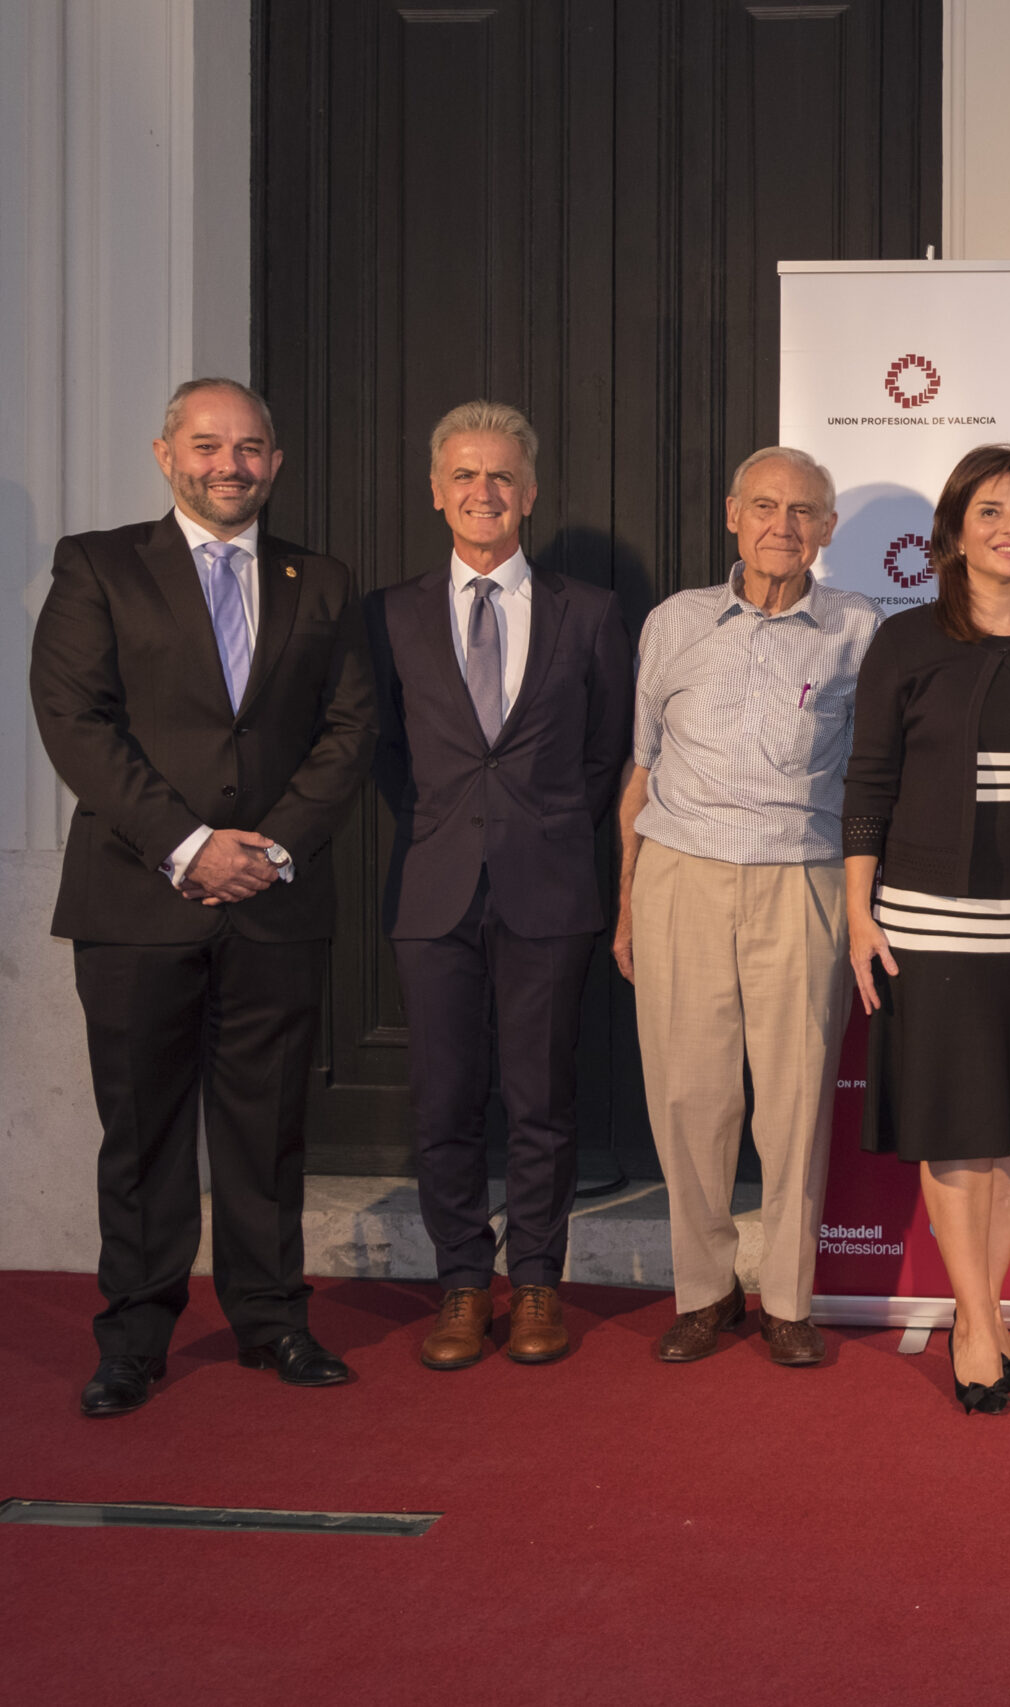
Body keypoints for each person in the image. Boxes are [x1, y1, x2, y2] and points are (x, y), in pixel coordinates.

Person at [31, 377, 375, 1416]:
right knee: (142, 1131)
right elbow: (75, 719)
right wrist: (188, 845)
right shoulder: (98, 566)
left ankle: (272, 1319)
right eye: (209, 444)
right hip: (139, 900)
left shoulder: (320, 580)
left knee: (268, 1127)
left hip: (272, 901)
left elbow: (350, 729)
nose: (231, 464)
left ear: (275, 459)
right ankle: (133, 1337)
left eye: (252, 447)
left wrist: (267, 849)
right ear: (165, 452)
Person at [844, 446, 1010, 1415]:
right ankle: (973, 1320)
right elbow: (869, 780)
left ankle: (983, 1311)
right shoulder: (907, 642)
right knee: (957, 1128)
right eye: (992, 510)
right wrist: (857, 911)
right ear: (955, 531)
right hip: (928, 918)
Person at [366, 401, 634, 1369]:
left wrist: (538, 825)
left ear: (530, 492)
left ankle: (538, 1286)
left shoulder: (591, 612)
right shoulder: (390, 613)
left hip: (549, 888)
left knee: (541, 1101)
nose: (485, 493)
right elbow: (388, 754)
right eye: (465, 477)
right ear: (437, 494)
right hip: (432, 889)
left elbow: (608, 754)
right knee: (442, 1101)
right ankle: (459, 1286)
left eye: (502, 477)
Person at [613, 446, 880, 1367]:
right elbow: (640, 771)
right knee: (689, 1093)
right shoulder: (674, 623)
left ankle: (790, 1299)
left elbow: (870, 781)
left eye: (804, 511)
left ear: (828, 530)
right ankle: (704, 1290)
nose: (784, 526)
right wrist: (624, 905)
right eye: (765, 506)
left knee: (797, 1100)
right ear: (733, 515)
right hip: (679, 874)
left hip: (801, 879)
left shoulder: (858, 629)